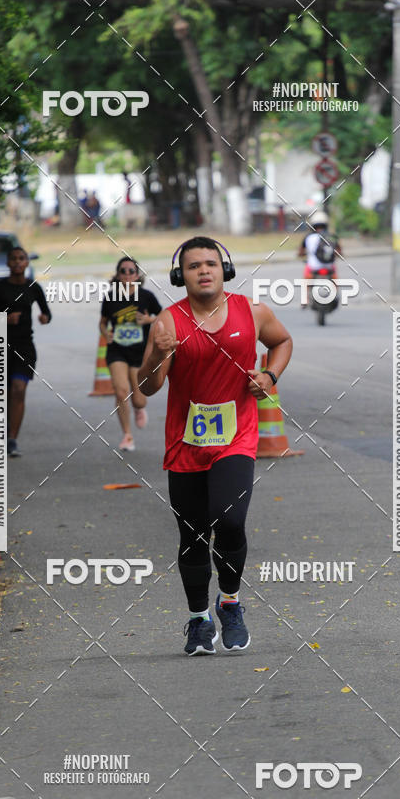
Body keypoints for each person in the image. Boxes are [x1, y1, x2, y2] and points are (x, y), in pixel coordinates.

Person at [138, 236, 292, 656]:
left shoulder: (253, 312)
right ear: (179, 275)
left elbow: (282, 342)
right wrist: (156, 352)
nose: (203, 270)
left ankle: (230, 602)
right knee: (191, 535)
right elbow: (148, 387)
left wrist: (270, 377)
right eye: (193, 266)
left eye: (210, 263)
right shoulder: (168, 322)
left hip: (236, 438)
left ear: (224, 269)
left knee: (229, 521)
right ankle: (197, 620)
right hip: (185, 444)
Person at [0, 246, 51, 457]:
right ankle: (5, 432)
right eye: (13, 259)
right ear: (7, 263)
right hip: (0, 346)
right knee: (4, 394)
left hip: (25, 347)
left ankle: (12, 439)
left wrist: (44, 318)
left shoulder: (33, 288)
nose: (17, 262)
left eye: (21, 258)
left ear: (26, 263)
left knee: (19, 389)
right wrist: (6, 319)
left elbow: (46, 312)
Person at [100, 257, 161, 451]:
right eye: (123, 271)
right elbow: (102, 322)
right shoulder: (110, 297)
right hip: (117, 350)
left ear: (137, 275)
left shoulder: (146, 296)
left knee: (139, 398)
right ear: (117, 275)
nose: (127, 275)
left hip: (139, 352)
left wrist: (147, 320)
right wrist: (105, 333)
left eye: (131, 271)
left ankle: (139, 408)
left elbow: (161, 318)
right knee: (120, 391)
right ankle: (127, 435)